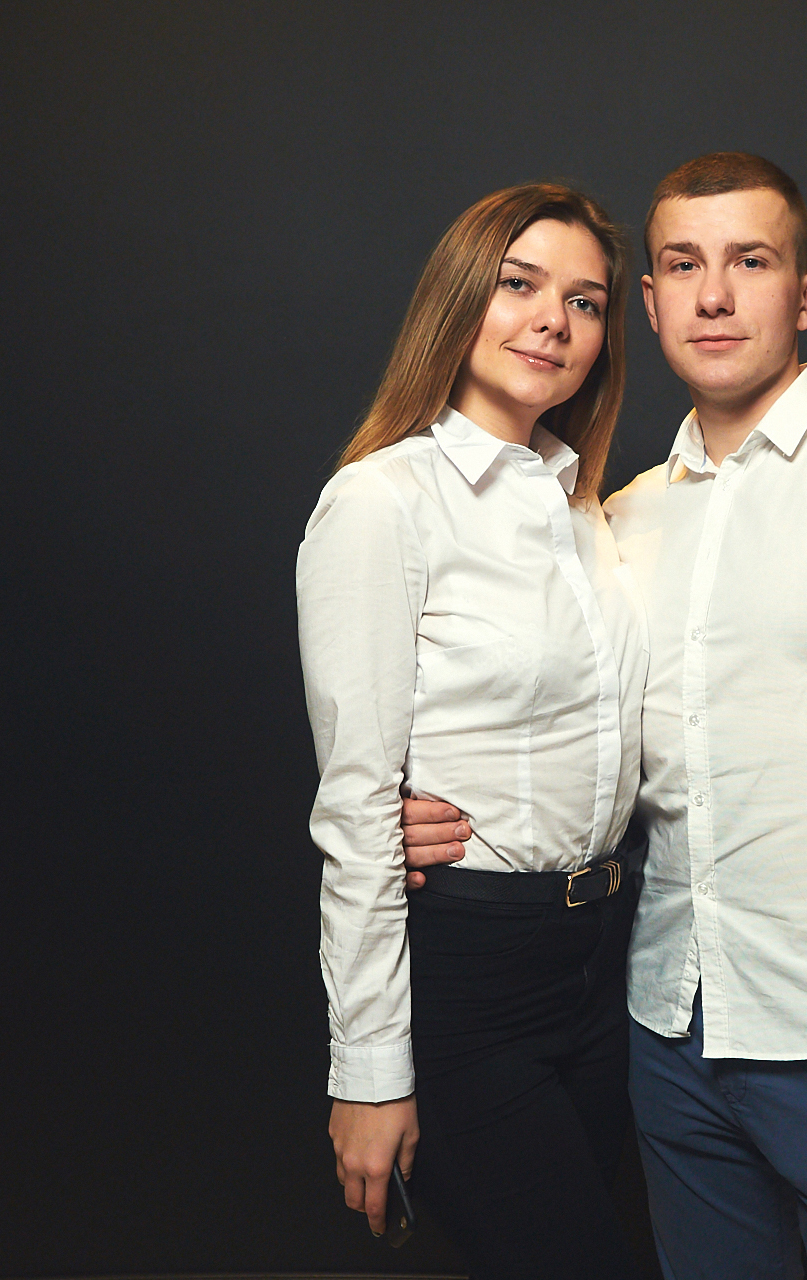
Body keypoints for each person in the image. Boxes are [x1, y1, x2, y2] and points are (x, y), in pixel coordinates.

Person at [403, 153, 807, 1279]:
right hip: (666, 1048)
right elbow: (571, 736)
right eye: (682, 266)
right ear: (649, 301)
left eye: (749, 261)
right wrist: (417, 812)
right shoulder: (615, 519)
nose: (713, 295)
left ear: (804, 296)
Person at [295, 182, 648, 1279]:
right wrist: (367, 1072)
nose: (554, 320)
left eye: (585, 301)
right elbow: (357, 803)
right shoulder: (382, 502)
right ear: (458, 299)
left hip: (605, 963)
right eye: (519, 284)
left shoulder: (587, 512)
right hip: (467, 977)